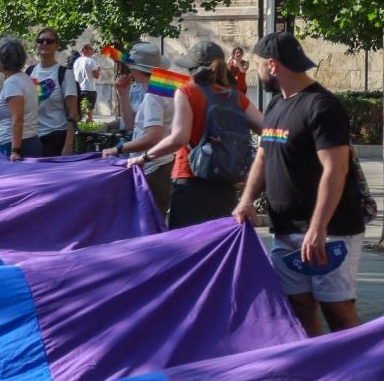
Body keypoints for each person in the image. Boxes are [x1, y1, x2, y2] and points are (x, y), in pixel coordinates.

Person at [232, 32, 365, 335]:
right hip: (286, 230)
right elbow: (263, 158)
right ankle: (316, 370)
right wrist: (246, 200)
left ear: (274, 65)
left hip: (330, 231)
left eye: (258, 65)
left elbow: (335, 169)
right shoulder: (277, 106)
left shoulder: (322, 106)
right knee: (297, 307)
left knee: (338, 310)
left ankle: (360, 374)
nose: (256, 71)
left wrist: (318, 228)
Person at [141, 41, 262, 230]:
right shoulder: (236, 96)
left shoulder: (188, 91)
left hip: (190, 182)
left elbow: (179, 138)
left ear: (193, 69)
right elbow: (269, 130)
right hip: (226, 186)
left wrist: (145, 157)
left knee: (187, 251)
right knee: (219, 251)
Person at [102, 43, 173, 214]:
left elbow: (152, 136)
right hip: (157, 167)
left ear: (137, 70)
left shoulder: (153, 97)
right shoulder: (161, 90)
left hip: (153, 168)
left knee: (150, 223)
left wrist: (117, 149)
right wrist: (123, 94)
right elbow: (132, 125)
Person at [27, 27, 82, 157]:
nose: (44, 44)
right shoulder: (29, 72)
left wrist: (68, 145)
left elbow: (73, 113)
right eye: (41, 41)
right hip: (31, 140)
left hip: (55, 139)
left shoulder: (64, 74)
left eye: (49, 41)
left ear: (57, 46)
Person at [71, 44, 100, 121]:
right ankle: (88, 129)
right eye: (91, 48)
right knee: (89, 115)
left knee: (78, 114)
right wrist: (99, 69)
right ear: (85, 50)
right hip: (89, 89)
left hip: (78, 89)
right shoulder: (91, 61)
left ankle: (76, 129)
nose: (93, 50)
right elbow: (96, 76)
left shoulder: (76, 61)